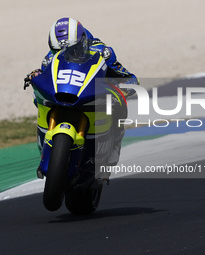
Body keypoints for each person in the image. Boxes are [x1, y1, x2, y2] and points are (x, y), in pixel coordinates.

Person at [24, 17, 139, 168]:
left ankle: (114, 148)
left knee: (119, 104)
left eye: (70, 49)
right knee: (36, 97)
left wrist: (122, 89)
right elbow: (46, 76)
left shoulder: (102, 52)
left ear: (82, 41)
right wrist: (35, 75)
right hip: (66, 94)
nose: (62, 54)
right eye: (57, 50)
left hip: (95, 94)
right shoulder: (50, 57)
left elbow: (129, 78)